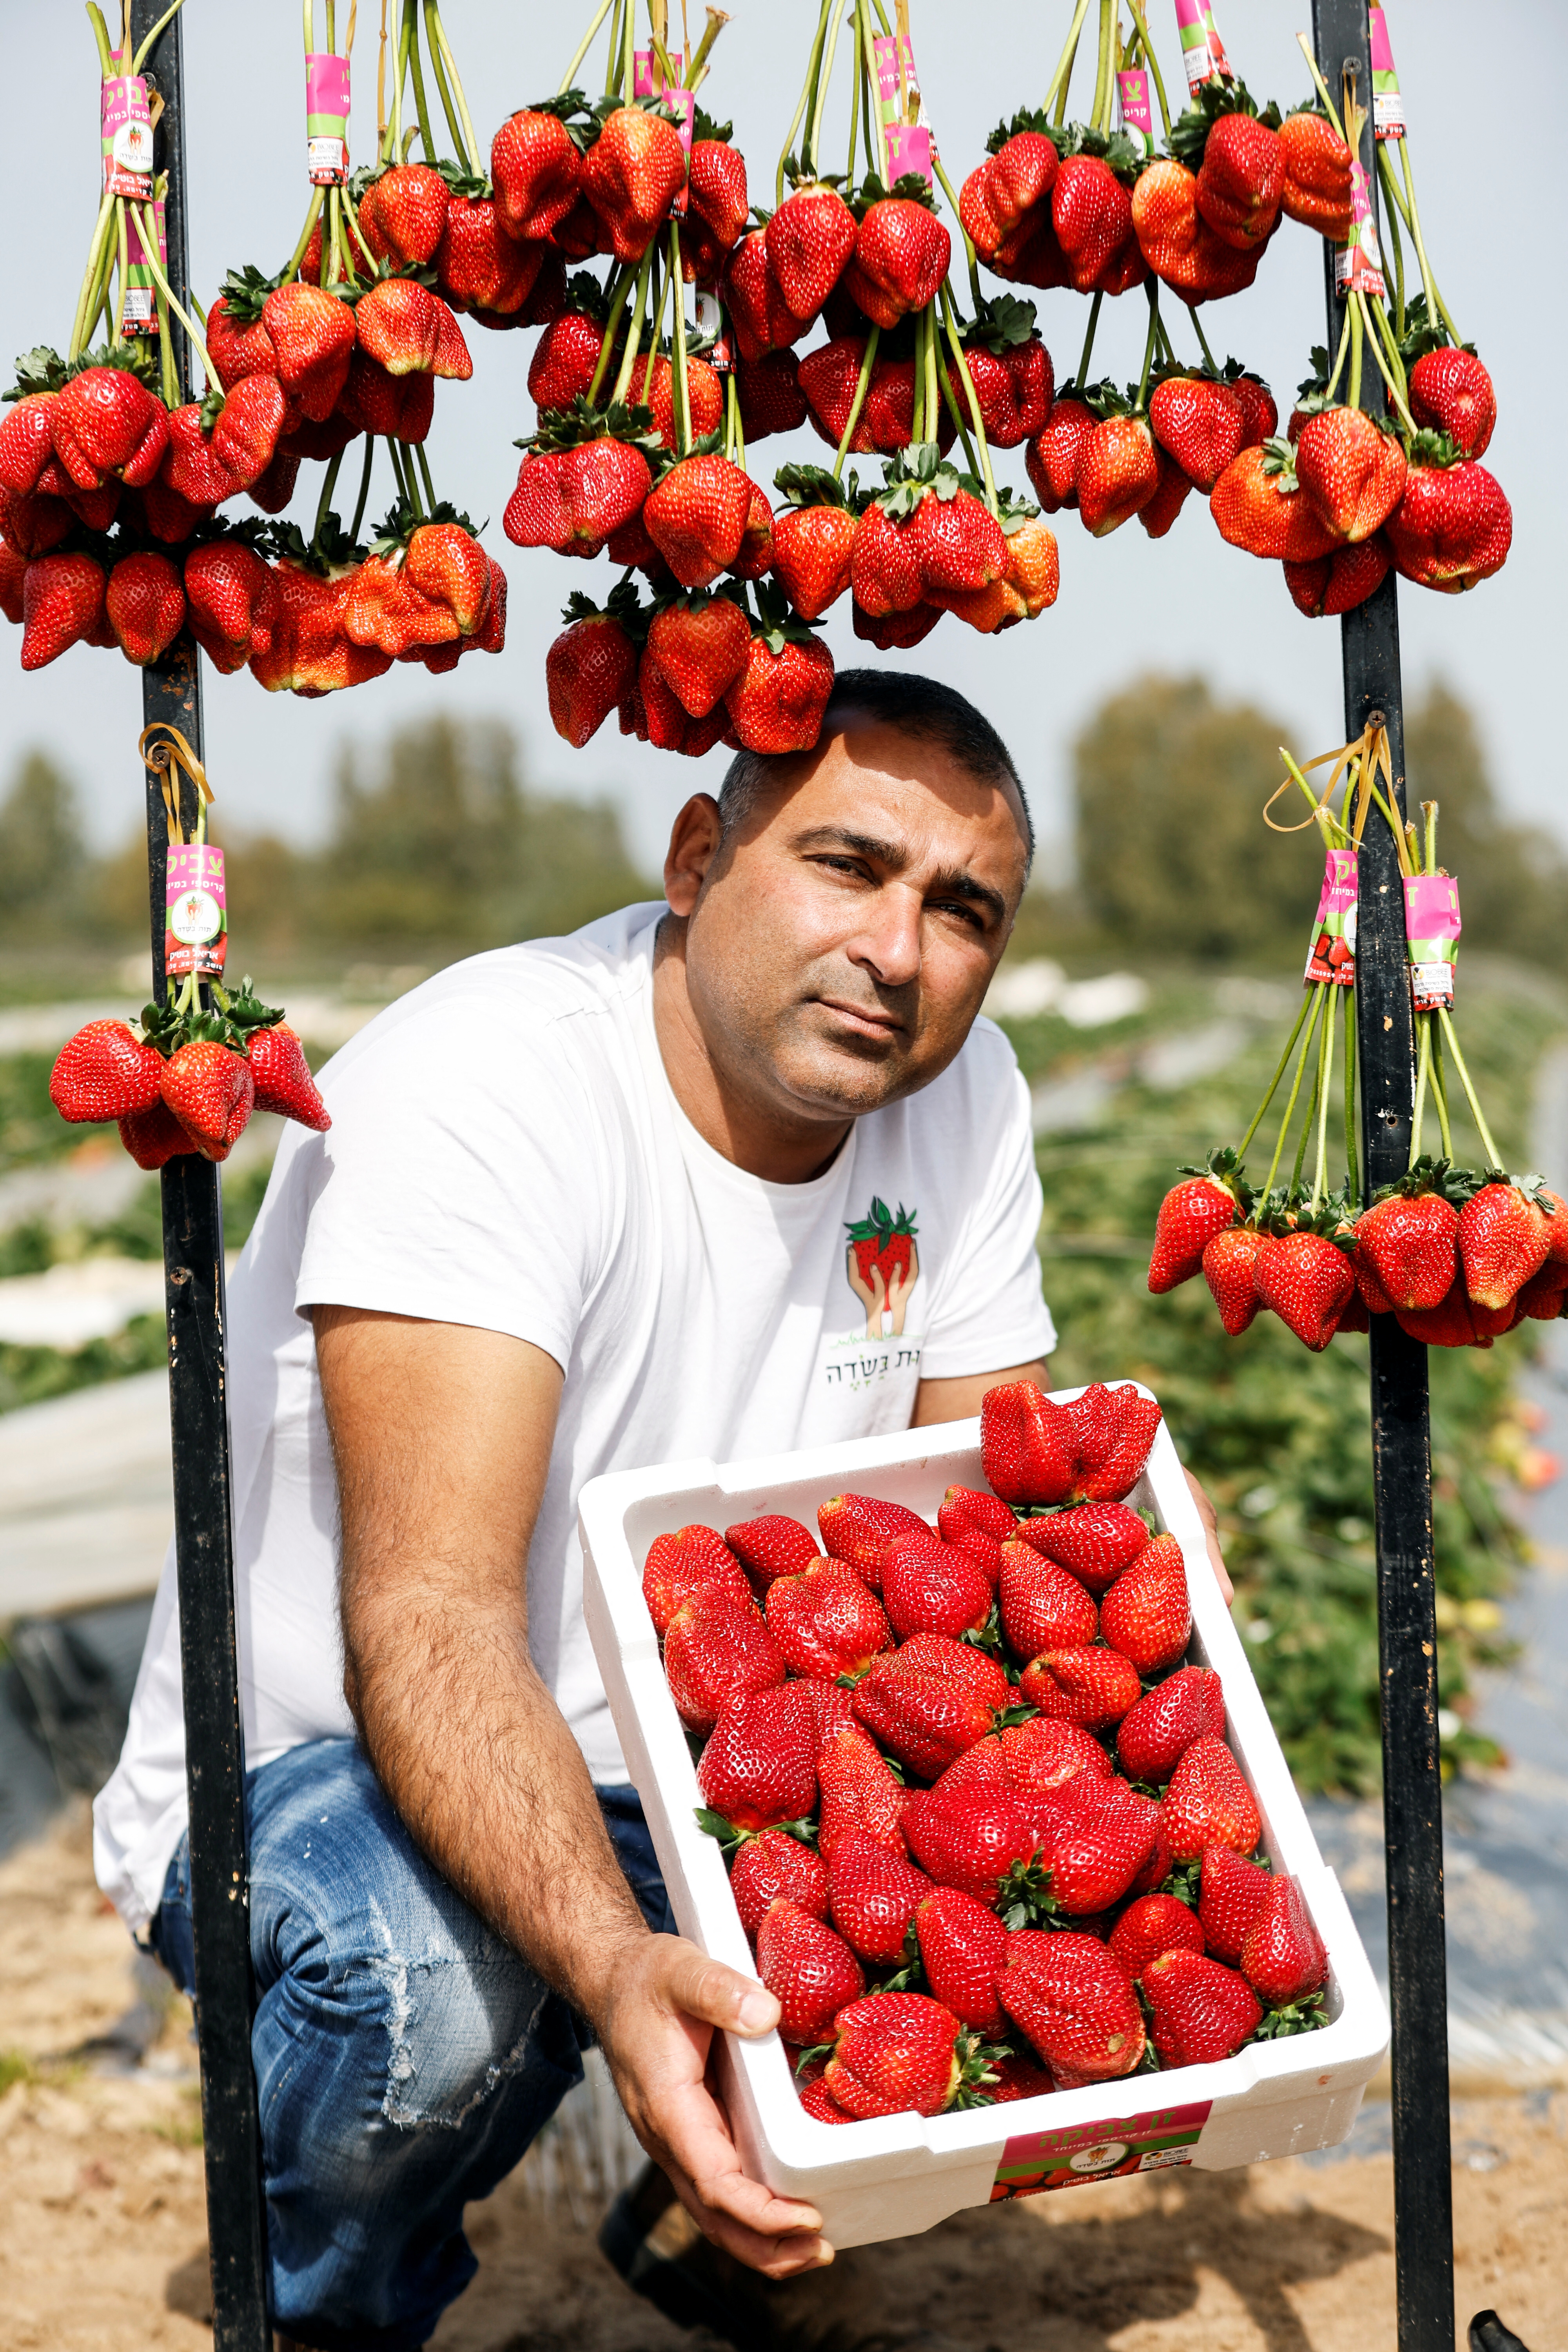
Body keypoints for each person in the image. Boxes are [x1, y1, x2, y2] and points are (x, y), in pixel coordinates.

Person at [94, 671, 1230, 2352]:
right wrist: (623, 1973)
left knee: (1004, 1901)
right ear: (698, 856)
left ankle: (720, 2199)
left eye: (961, 908)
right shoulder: (493, 1085)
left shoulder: (962, 1095)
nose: (900, 951)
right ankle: (336, 2312)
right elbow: (430, 1622)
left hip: (711, 1755)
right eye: (848, 865)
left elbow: (959, 1547)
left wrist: (1127, 1549)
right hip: (337, 1769)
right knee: (433, 2008)